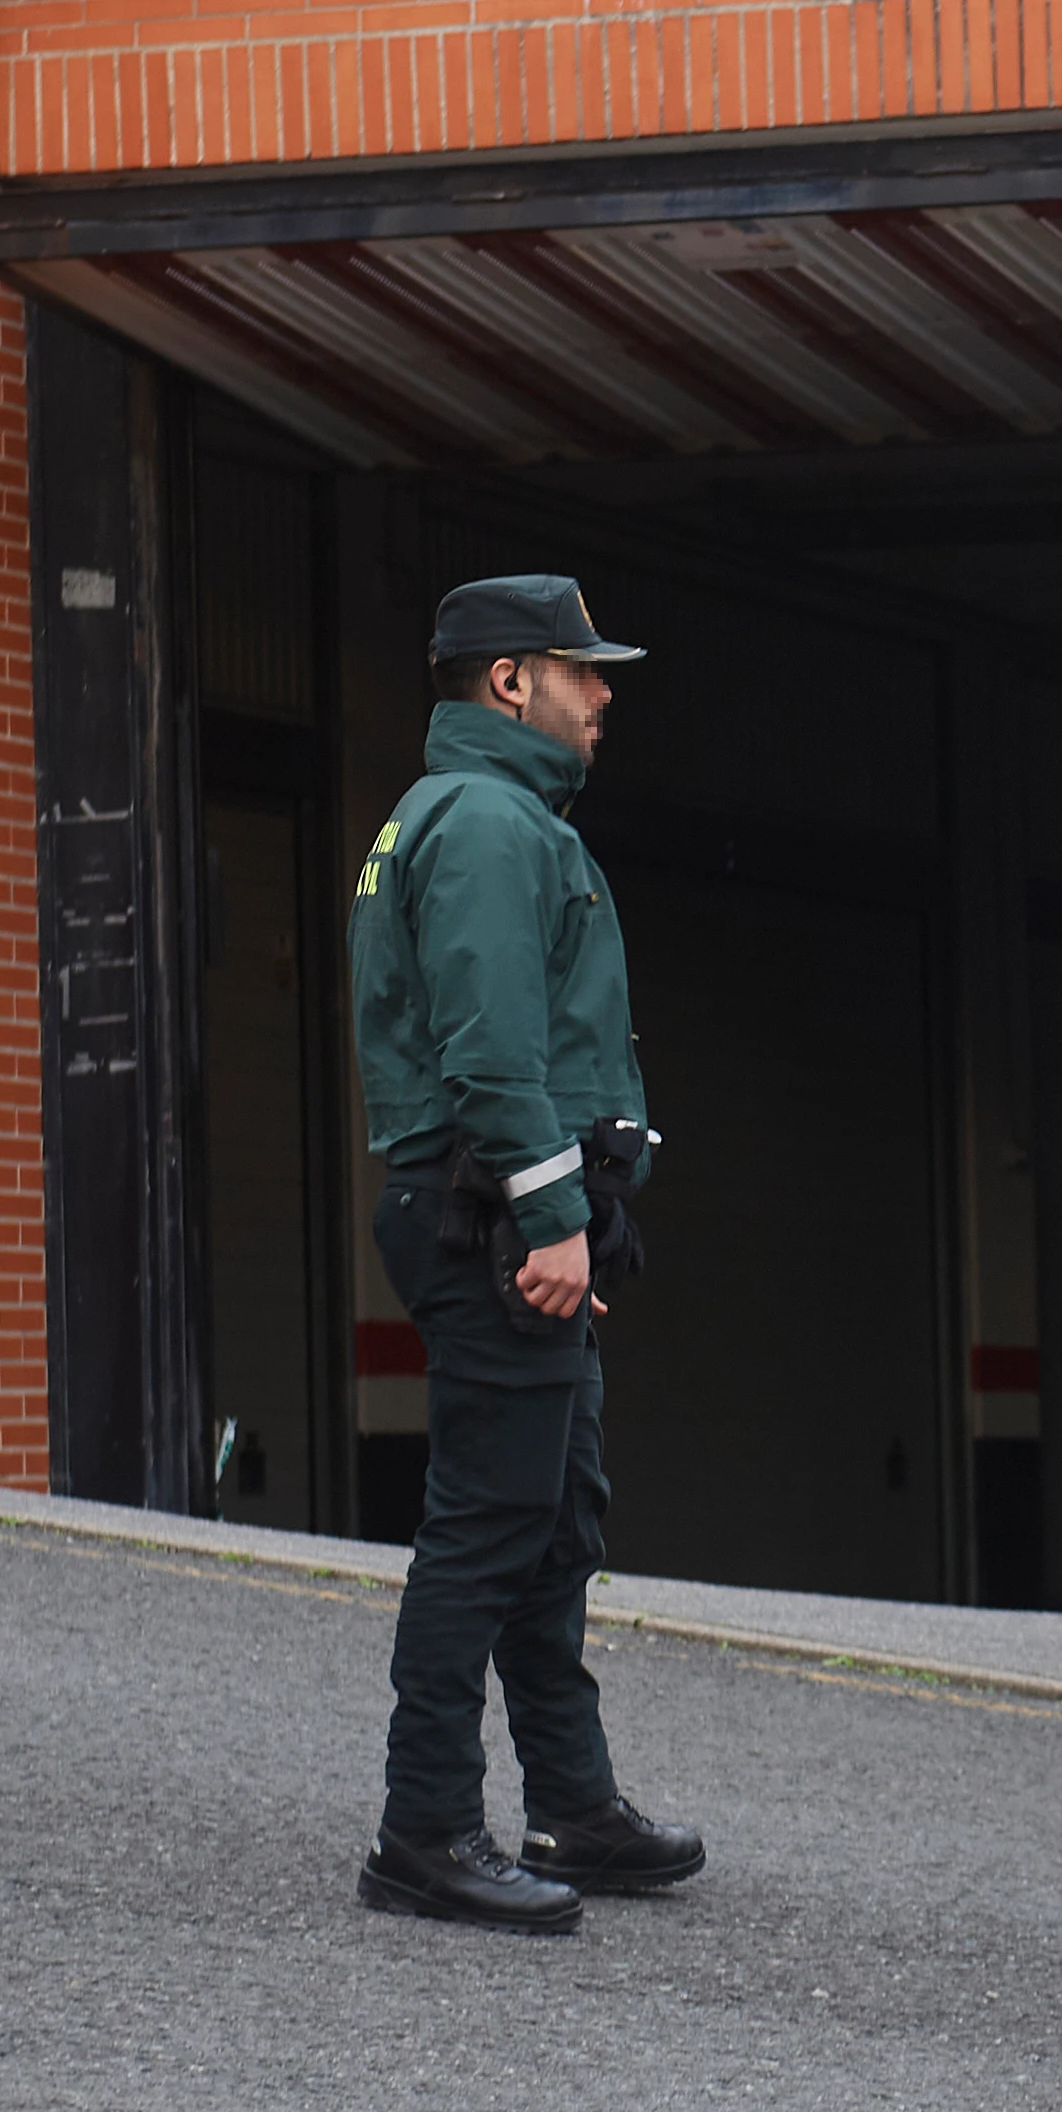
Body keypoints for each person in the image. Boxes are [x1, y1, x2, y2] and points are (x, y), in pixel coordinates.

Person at [345, 573, 705, 1934]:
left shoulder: (468, 816)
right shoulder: (490, 823)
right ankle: (424, 1827)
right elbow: (491, 1046)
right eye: (581, 669)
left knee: (553, 1522)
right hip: (492, 1214)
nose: (604, 692)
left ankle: (576, 1802)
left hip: (498, 1205)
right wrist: (553, 1216)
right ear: (511, 681)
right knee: (489, 1528)